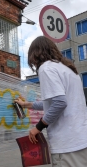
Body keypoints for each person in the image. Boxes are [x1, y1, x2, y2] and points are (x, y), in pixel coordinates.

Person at [15, 36, 87, 167]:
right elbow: (52, 103)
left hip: (67, 144)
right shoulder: (69, 69)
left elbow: (60, 103)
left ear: (35, 54)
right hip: (82, 139)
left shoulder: (46, 68)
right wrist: (26, 105)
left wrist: (38, 128)